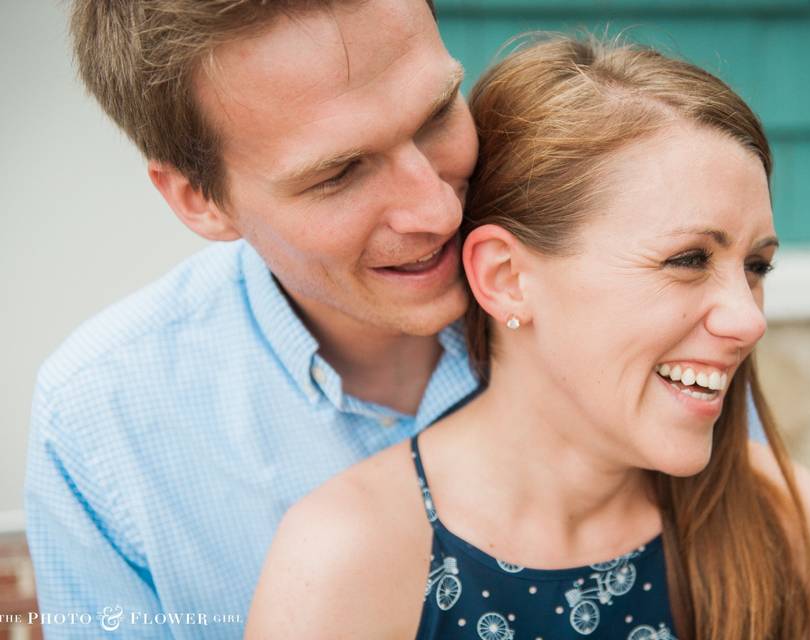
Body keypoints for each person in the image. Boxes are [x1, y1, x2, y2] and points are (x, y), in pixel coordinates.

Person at [245, 35, 810, 640]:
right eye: (689, 259)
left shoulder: (788, 520)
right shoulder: (344, 560)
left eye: (756, 266)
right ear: (507, 278)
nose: (749, 320)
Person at [25, 1, 479, 637]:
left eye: (436, 115)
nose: (437, 211)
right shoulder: (99, 422)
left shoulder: (611, 280)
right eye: (340, 172)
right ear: (200, 200)